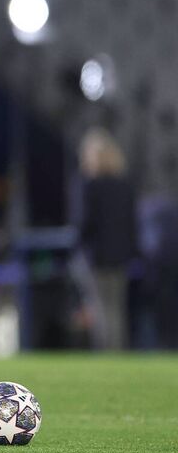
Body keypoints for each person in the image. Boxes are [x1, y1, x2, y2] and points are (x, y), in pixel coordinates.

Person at [77, 128, 138, 349]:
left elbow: (85, 224)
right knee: (117, 310)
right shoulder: (124, 186)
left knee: (100, 309)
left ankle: (105, 352)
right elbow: (132, 224)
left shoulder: (91, 186)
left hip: (97, 257)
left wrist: (81, 246)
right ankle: (119, 352)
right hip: (120, 257)